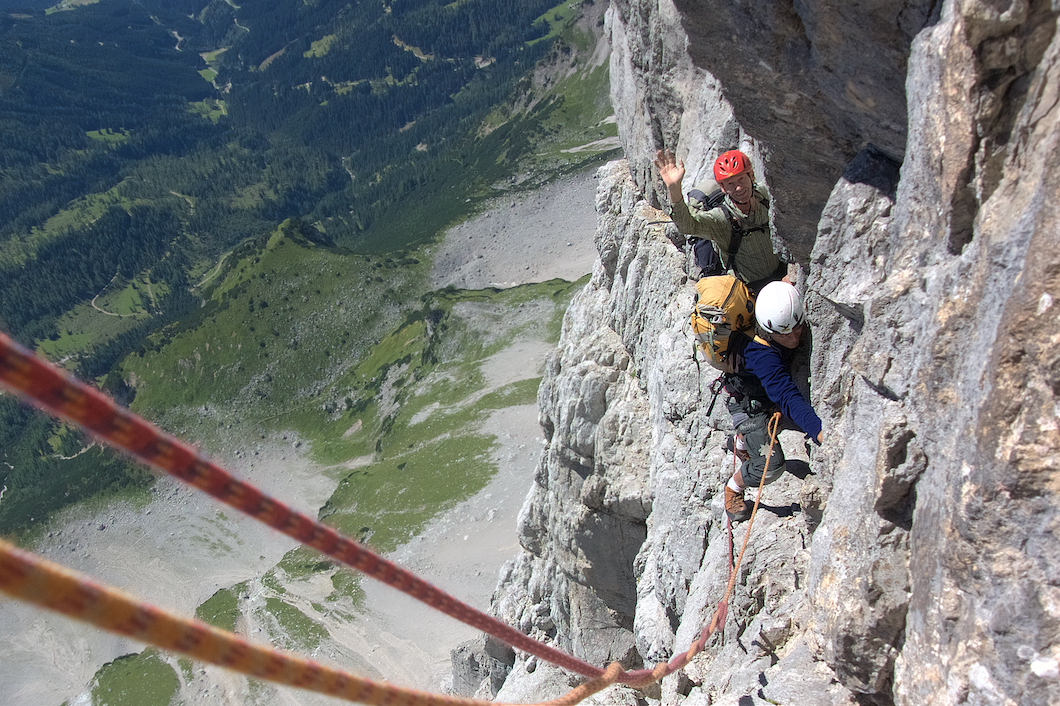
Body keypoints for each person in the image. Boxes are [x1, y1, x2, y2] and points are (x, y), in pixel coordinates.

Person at [721, 281, 823, 522]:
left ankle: (742, 442)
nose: (794, 338)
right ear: (769, 331)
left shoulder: (775, 314)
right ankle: (733, 488)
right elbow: (786, 396)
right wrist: (818, 431)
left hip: (759, 393)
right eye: (785, 335)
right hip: (748, 407)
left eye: (797, 329)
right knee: (771, 465)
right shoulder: (762, 355)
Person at [654, 148, 788, 294]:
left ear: (751, 176)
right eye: (730, 183)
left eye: (741, 179)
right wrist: (674, 190)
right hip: (748, 292)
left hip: (782, 278)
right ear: (723, 188)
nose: (738, 187)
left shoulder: (766, 196)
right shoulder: (721, 219)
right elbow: (688, 226)